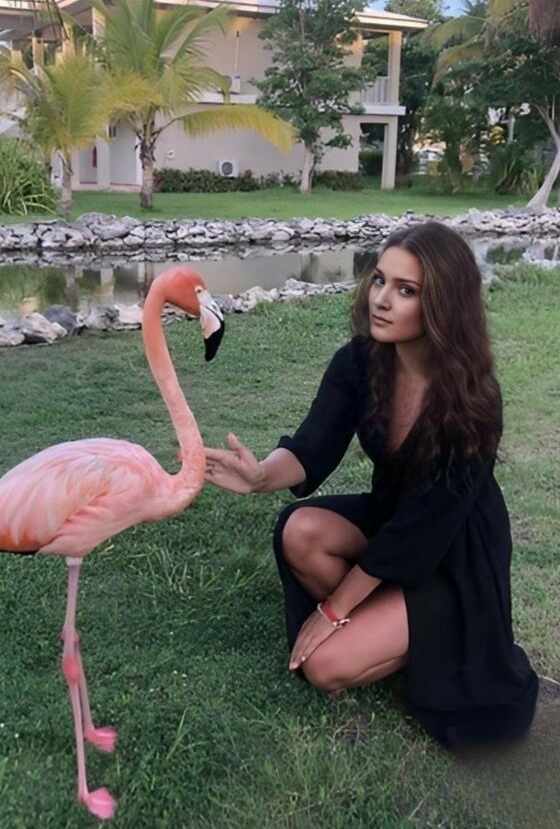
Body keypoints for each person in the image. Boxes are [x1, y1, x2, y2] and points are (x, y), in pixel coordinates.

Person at [204, 221, 538, 749]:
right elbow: (313, 446)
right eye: (380, 280)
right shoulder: (360, 362)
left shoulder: (472, 399)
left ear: (444, 305)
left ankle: (428, 635)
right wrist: (262, 476)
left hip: (454, 556)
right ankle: (394, 623)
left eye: (406, 290)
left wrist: (334, 612)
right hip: (392, 519)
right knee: (299, 530)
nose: (381, 299)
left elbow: (421, 534)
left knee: (322, 665)